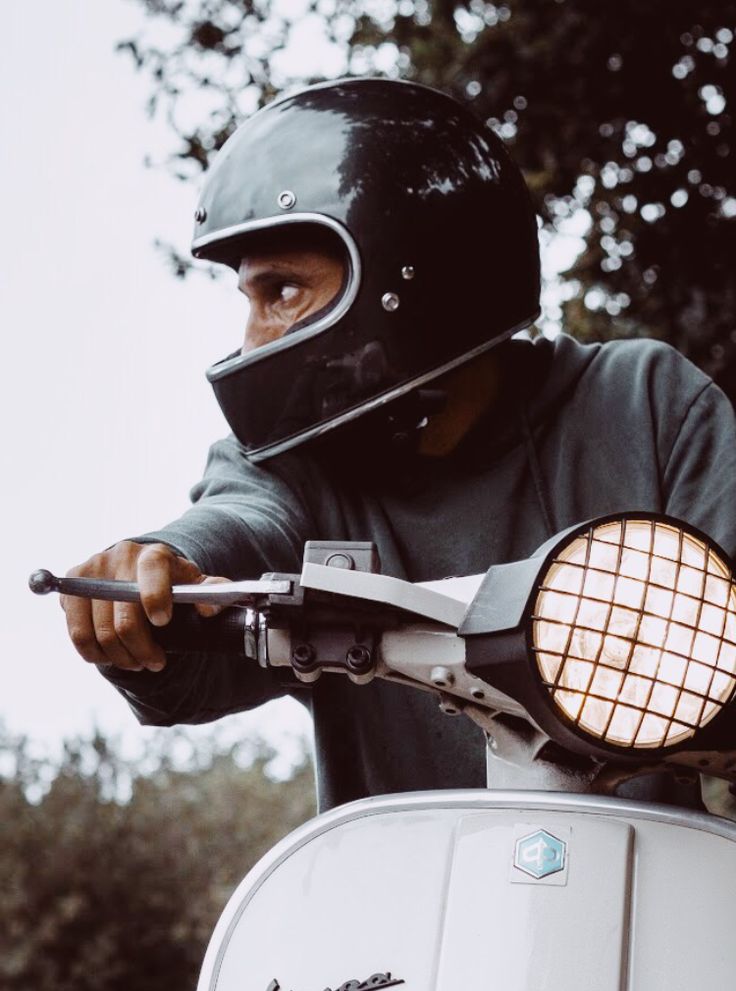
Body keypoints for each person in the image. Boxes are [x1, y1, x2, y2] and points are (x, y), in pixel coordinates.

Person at [61, 77, 736, 812]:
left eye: (282, 292)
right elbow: (244, 524)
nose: (252, 340)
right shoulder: (293, 463)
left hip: (655, 894)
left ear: (409, 273)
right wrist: (166, 570)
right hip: (408, 908)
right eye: (249, 302)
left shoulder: (644, 404)